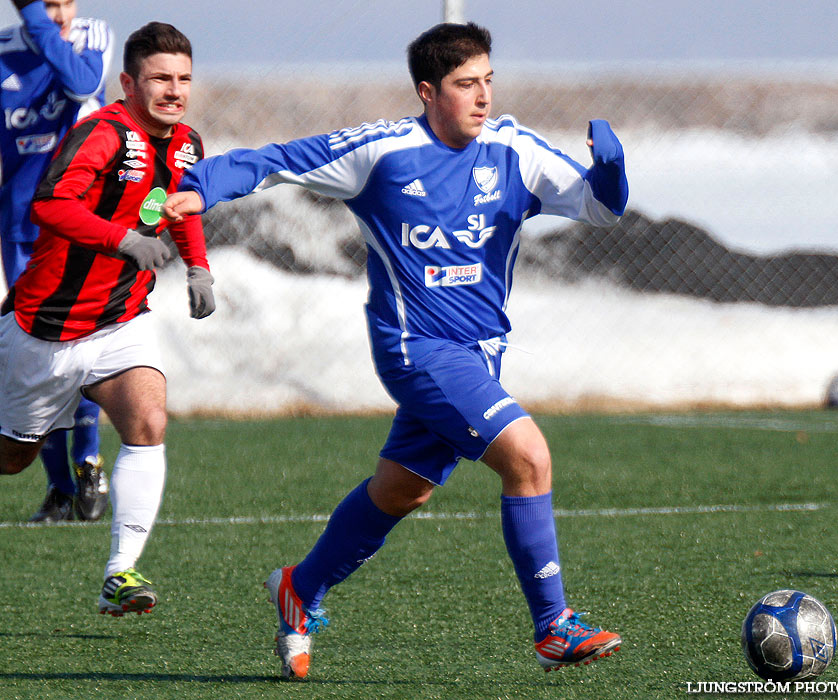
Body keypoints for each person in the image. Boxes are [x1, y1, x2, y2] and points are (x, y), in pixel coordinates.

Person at [165, 22, 627, 677]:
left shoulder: (513, 151)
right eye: (466, 84)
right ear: (428, 91)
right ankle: (554, 627)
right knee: (528, 457)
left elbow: (600, 208)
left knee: (401, 490)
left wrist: (611, 170)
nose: (483, 96)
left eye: (488, 81)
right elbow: (275, 159)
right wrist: (205, 183)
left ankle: (300, 589)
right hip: (417, 350)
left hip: (480, 354)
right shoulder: (382, 153)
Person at [0, 21, 215, 616]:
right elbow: (50, 203)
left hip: (122, 319)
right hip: (48, 329)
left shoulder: (187, 142)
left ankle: (119, 574)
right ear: (128, 81)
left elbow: (180, 206)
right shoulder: (101, 134)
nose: (173, 90)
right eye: (159, 78)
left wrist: (198, 268)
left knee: (148, 418)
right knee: (11, 459)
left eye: (183, 79)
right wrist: (122, 240)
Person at [0, 0, 114, 522]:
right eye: (46, 2)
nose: (60, 11)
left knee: (78, 340)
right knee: (31, 357)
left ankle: (89, 461)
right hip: (19, 226)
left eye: (65, 0)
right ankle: (61, 488)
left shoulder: (92, 36)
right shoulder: (4, 50)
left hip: (76, 220)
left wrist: (37, 20)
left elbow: (81, 84)